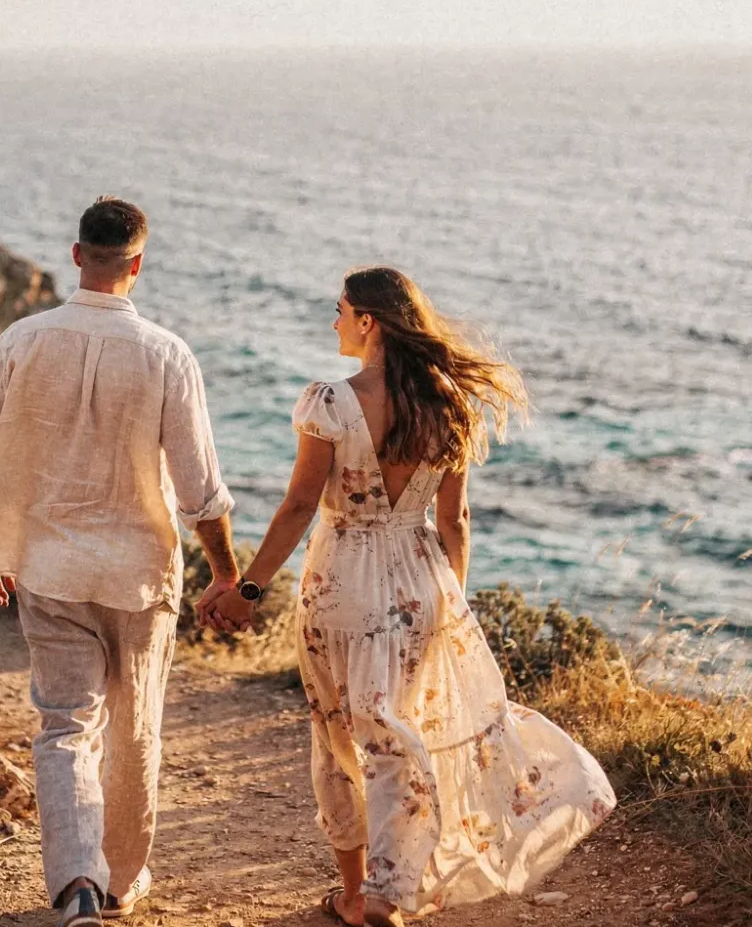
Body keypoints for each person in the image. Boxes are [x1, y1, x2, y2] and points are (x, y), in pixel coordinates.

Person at [201, 266, 616, 927]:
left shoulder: (328, 403)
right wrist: (449, 599)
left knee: (339, 734)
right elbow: (456, 522)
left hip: (342, 583)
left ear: (369, 321)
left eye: (339, 310)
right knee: (398, 738)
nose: (333, 320)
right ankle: (385, 893)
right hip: (421, 584)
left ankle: (357, 891)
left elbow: (300, 504)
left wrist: (247, 588)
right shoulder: (449, 404)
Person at [0, 197, 240, 927]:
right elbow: (202, 491)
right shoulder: (168, 353)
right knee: (134, 724)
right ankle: (120, 882)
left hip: (48, 570)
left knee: (63, 725)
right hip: (140, 576)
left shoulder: (20, 341)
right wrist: (226, 572)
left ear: (77, 254)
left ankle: (77, 884)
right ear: (138, 265)